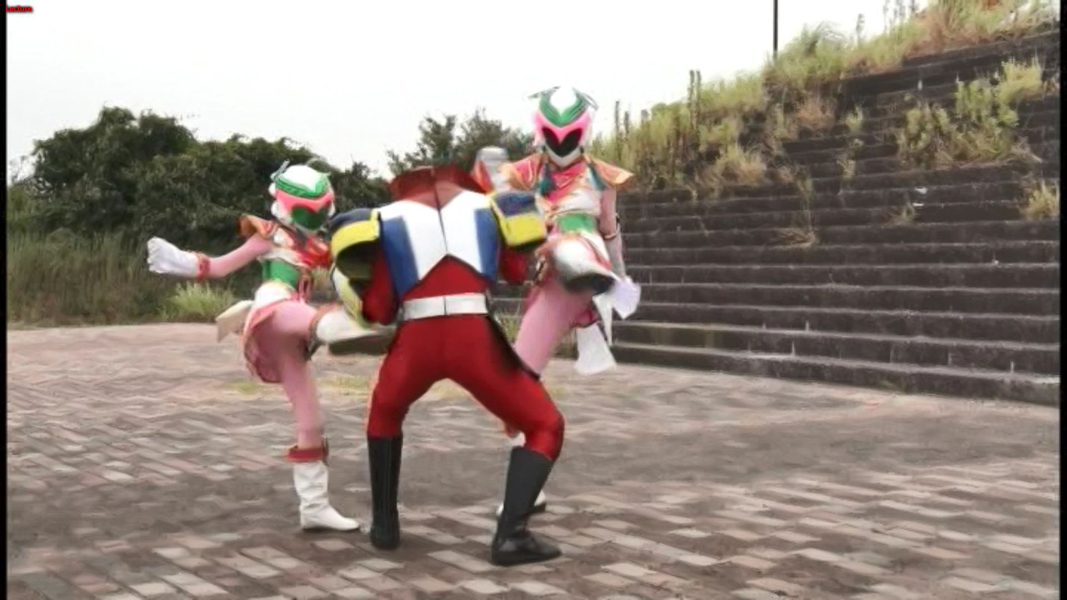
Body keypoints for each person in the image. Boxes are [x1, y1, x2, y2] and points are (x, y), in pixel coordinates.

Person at [328, 164, 564, 567]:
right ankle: (511, 535)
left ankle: (385, 527)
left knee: (384, 412)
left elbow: (379, 309)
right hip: (473, 336)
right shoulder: (490, 208)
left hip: (416, 339)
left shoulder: (383, 219)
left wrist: (353, 290)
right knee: (545, 425)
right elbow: (513, 273)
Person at [145, 162, 376, 532]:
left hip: (294, 337)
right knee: (310, 319)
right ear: (286, 207)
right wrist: (180, 262)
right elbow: (220, 267)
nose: (317, 219)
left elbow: (347, 265)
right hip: (275, 310)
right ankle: (340, 327)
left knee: (311, 422)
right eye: (310, 212)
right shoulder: (269, 236)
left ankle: (314, 507)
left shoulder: (316, 245)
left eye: (323, 211)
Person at [471, 86, 640, 517]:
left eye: (570, 134)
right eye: (553, 134)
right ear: (540, 131)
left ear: (584, 132)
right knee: (514, 381)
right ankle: (530, 481)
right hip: (545, 276)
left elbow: (610, 232)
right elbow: (496, 215)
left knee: (575, 248)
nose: (562, 142)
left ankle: (524, 491)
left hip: (583, 265)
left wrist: (620, 278)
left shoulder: (601, 177)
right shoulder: (523, 174)